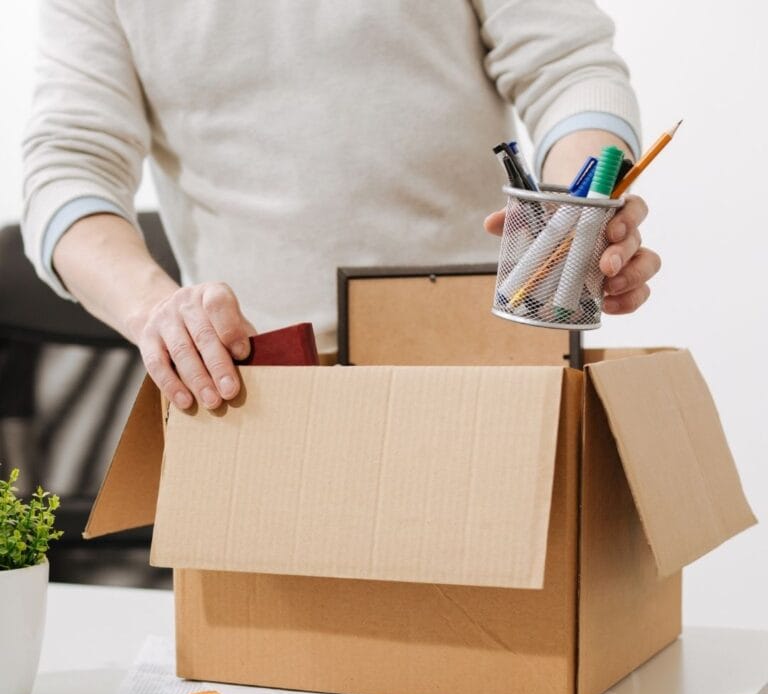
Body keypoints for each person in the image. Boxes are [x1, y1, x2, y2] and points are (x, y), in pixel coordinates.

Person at [22, 0, 660, 411]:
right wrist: (155, 311)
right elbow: (70, 164)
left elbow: (569, 67)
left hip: (485, 365)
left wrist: (577, 214)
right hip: (261, 387)